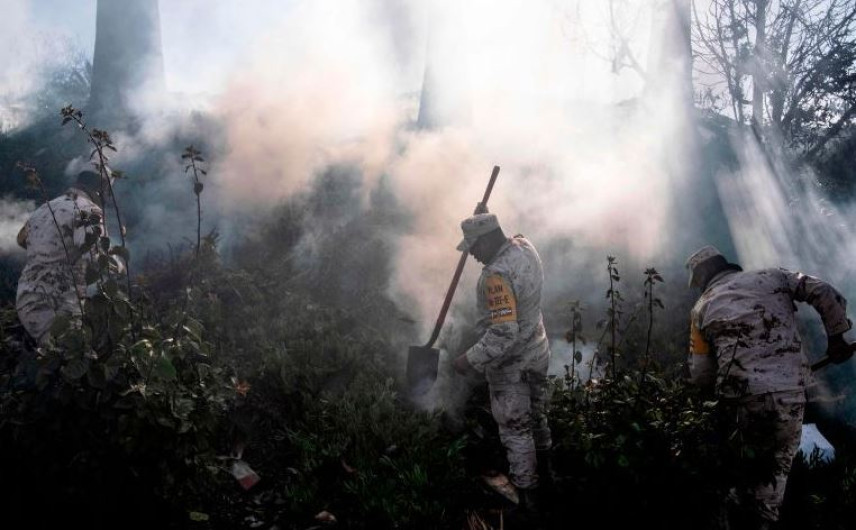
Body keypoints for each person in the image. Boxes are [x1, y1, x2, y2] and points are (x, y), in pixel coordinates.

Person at [685, 245, 853, 529]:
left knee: (741, 480)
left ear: (702, 277)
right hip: (789, 394)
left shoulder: (701, 309)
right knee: (770, 482)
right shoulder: (774, 276)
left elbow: (700, 375)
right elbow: (822, 290)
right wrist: (837, 337)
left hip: (740, 401)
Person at [452, 212, 552, 517]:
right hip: (537, 350)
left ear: (485, 240)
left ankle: (528, 500)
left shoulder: (495, 275)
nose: (471, 256)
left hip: (512, 366)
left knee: (516, 430)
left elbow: (503, 333)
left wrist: (467, 360)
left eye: (473, 248)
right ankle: (550, 474)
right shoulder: (524, 246)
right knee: (537, 418)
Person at [16, 171, 106, 346]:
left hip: (27, 299)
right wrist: (118, 265)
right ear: (101, 190)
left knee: (50, 357)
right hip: (58, 303)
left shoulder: (44, 208)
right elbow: (95, 257)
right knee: (70, 357)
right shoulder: (89, 210)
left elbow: (21, 239)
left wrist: (50, 251)